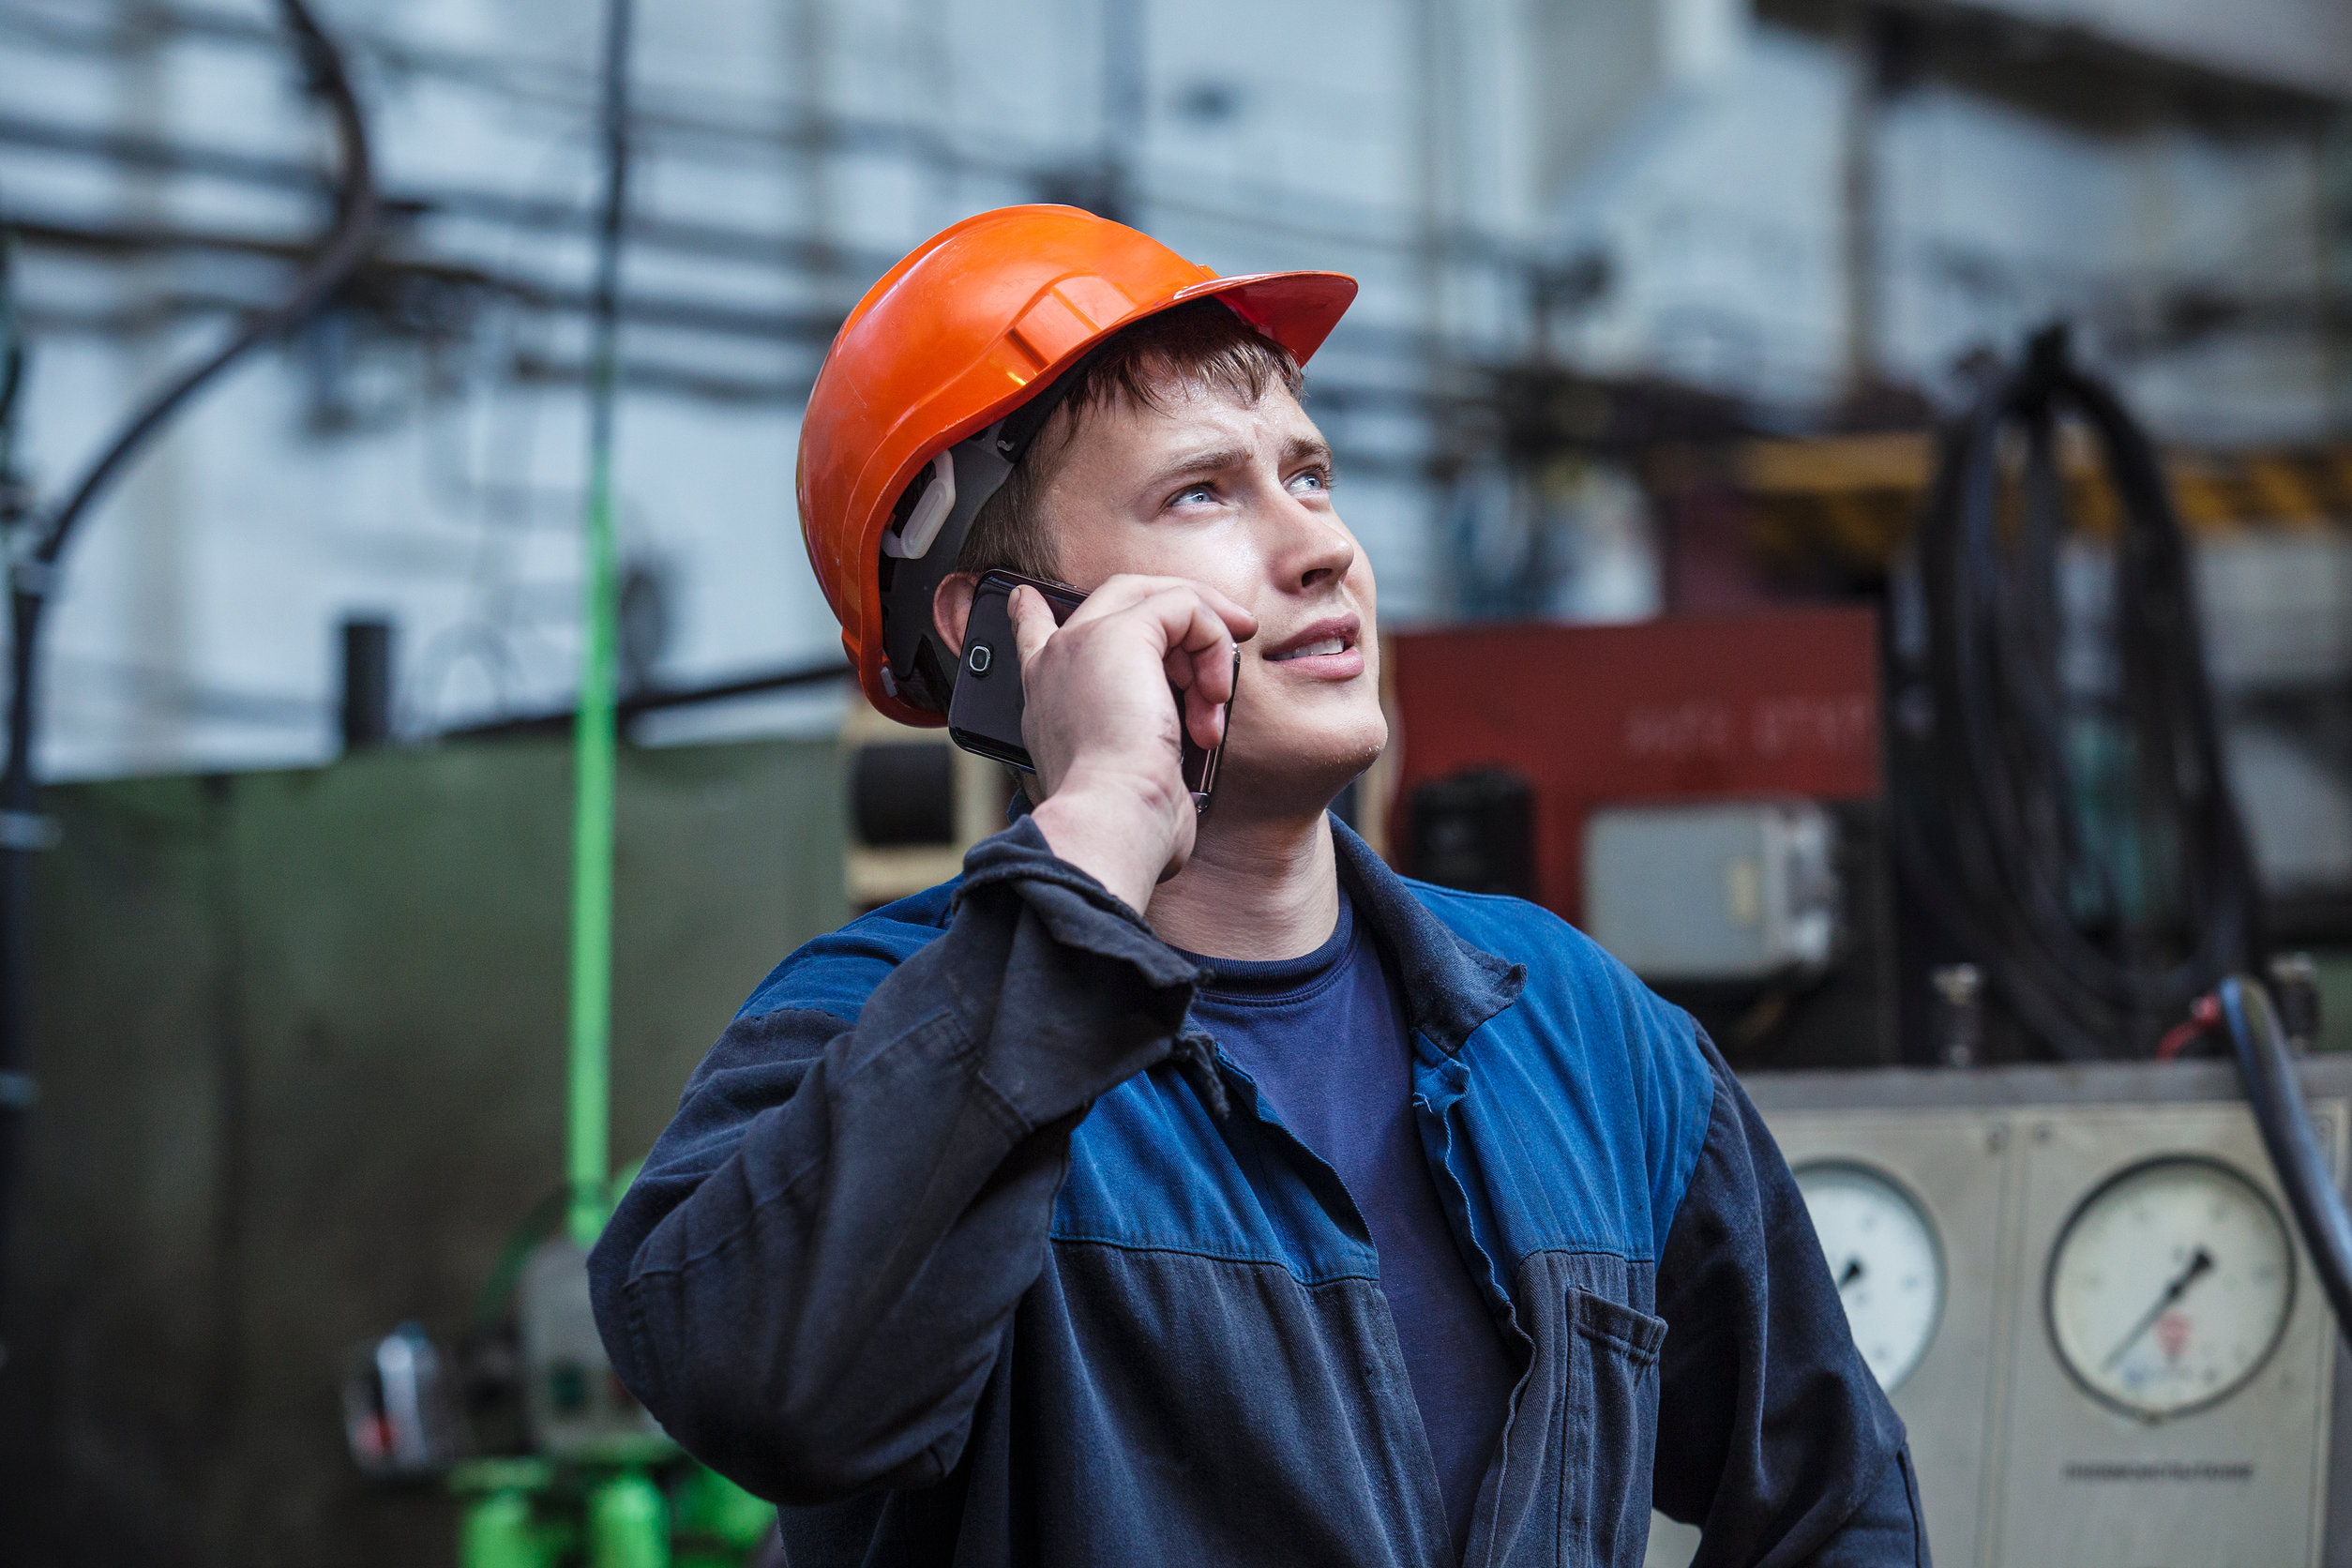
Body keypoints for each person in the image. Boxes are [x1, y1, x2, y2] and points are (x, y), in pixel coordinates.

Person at [589, 205, 1927, 1567]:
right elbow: (762, 1390)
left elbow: (1836, 1500)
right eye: (1202, 494)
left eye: (1311, 475)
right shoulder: (869, 1032)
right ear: (1002, 629)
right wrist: (1106, 817)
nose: (1319, 546)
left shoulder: (1574, 1030)